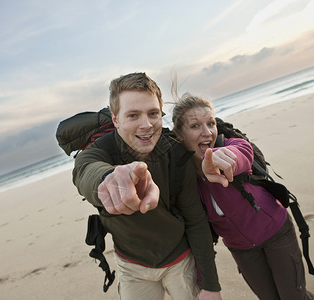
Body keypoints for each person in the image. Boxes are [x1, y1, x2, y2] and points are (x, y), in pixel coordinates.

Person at [72, 73, 222, 300]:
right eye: (133, 115)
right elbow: (84, 170)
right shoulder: (99, 152)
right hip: (132, 265)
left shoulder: (176, 154)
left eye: (153, 114)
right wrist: (109, 178)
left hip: (179, 259)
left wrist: (211, 286)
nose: (147, 125)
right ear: (116, 120)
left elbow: (196, 220)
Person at [172, 92, 314, 300]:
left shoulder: (232, 145)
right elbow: (196, 227)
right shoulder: (185, 178)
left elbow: (242, 155)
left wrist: (224, 160)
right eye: (195, 126)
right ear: (179, 134)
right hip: (242, 250)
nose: (207, 133)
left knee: (294, 297)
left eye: (211, 124)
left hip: (276, 231)